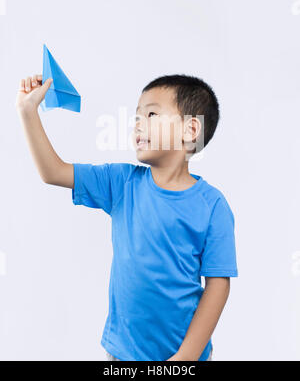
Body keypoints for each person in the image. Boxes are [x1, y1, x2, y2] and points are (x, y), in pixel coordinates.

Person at [16, 73, 238, 361]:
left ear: (190, 129)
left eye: (151, 114)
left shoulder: (213, 205)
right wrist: (27, 112)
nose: (137, 125)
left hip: (184, 356)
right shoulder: (121, 182)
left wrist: (185, 357)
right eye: (136, 118)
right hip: (121, 355)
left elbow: (218, 285)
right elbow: (53, 172)